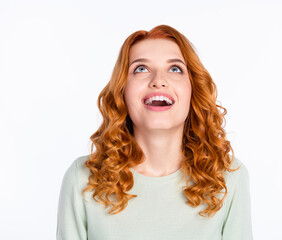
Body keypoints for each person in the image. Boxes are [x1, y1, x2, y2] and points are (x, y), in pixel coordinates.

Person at [56, 24, 253, 240]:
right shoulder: (83, 179)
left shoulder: (228, 179)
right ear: (122, 91)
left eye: (175, 68)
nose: (158, 80)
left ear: (193, 90)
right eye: (141, 69)